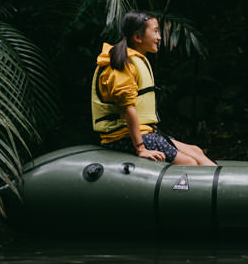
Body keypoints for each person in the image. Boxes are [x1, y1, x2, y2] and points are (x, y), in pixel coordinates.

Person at [91, 11, 215, 165]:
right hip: (122, 137)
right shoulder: (121, 65)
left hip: (145, 133)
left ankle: (223, 187)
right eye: (155, 31)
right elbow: (128, 108)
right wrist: (141, 148)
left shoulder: (134, 60)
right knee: (189, 162)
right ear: (138, 37)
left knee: (196, 151)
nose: (159, 37)